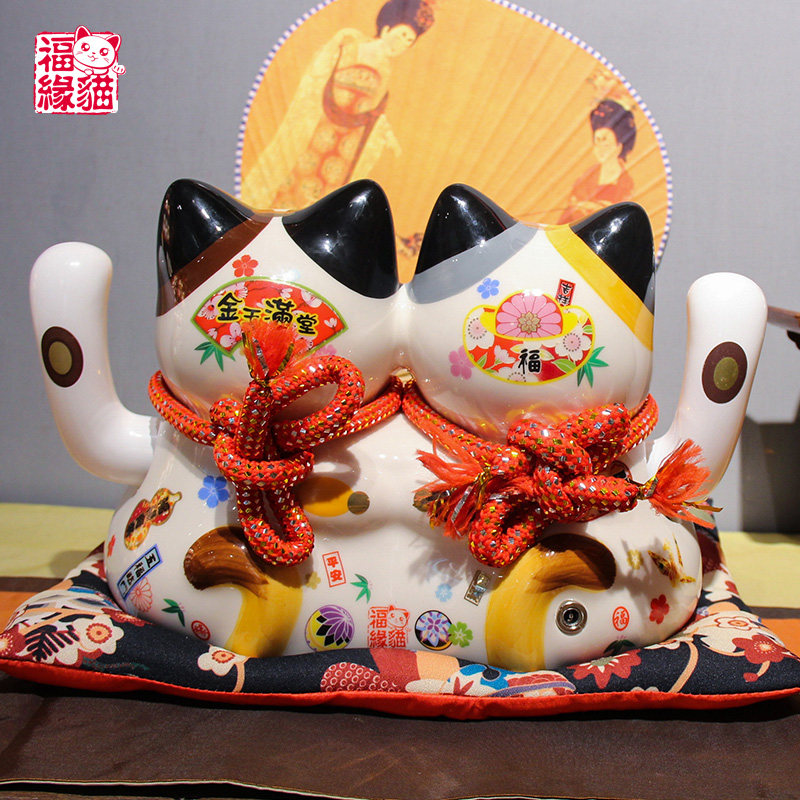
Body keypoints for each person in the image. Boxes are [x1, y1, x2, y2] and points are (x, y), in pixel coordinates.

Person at [241, 0, 434, 210]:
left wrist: (386, 133)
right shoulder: (349, 47)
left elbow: (373, 111)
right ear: (387, 28)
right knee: (297, 174)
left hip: (349, 141)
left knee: (331, 189)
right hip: (319, 126)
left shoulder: (385, 70)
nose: (402, 44)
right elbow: (316, 81)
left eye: (409, 41)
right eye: (401, 35)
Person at [558, 99, 637, 224]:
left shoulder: (625, 184)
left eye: (605, 142)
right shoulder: (586, 178)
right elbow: (567, 215)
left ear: (619, 146)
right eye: (597, 141)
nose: (600, 148)